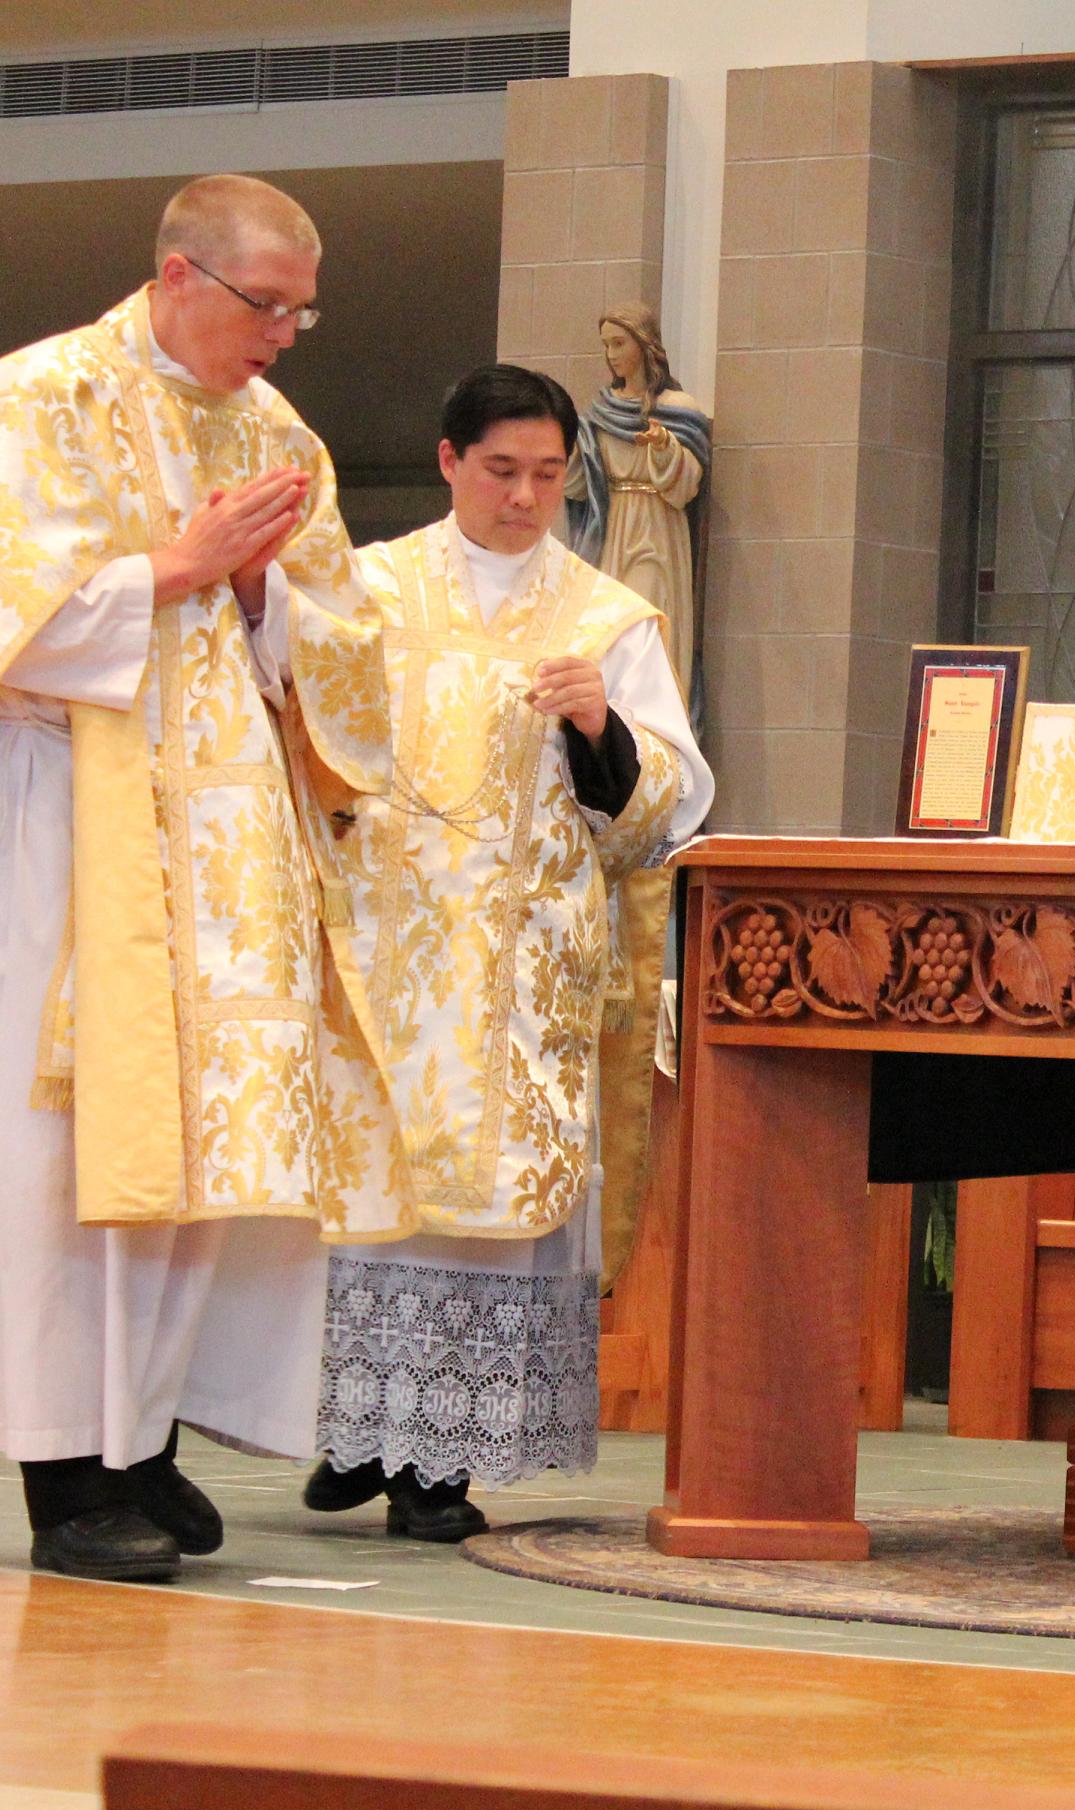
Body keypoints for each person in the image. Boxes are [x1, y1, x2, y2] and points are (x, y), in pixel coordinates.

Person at [0, 175, 396, 1582]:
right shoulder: (36, 396)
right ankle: (63, 1475)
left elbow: (342, 660)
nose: (283, 338)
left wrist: (264, 591)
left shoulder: (279, 436)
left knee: (196, 1161)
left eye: (302, 312)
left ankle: (139, 1434)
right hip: (54, 827)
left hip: (218, 850)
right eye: (265, 306)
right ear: (179, 276)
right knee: (57, 1157)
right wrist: (171, 566)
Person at [302, 364, 712, 1541]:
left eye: (548, 475)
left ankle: (440, 1466)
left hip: (519, 982)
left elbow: (665, 808)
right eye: (502, 470)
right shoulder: (366, 592)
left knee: (486, 1210)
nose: (526, 496)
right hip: (383, 964)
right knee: (370, 1204)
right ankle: (357, 1434)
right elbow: (310, 743)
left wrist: (602, 725)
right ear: (448, 461)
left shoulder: (606, 619)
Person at [564, 301, 712, 1292]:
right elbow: (587, 499)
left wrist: (658, 452)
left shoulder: (610, 621)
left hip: (651, 544)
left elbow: (670, 785)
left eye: (622, 342)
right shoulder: (396, 592)